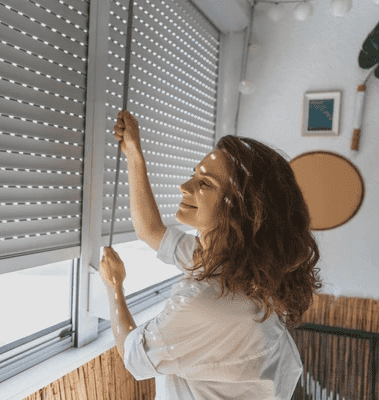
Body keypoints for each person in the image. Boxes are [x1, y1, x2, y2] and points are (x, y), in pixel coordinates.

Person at [99, 110, 323, 400]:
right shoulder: (238, 262)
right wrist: (134, 154)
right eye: (194, 175)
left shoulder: (207, 304)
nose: (184, 187)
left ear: (244, 210)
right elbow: (152, 231)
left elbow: (134, 356)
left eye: (204, 184)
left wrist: (115, 287)